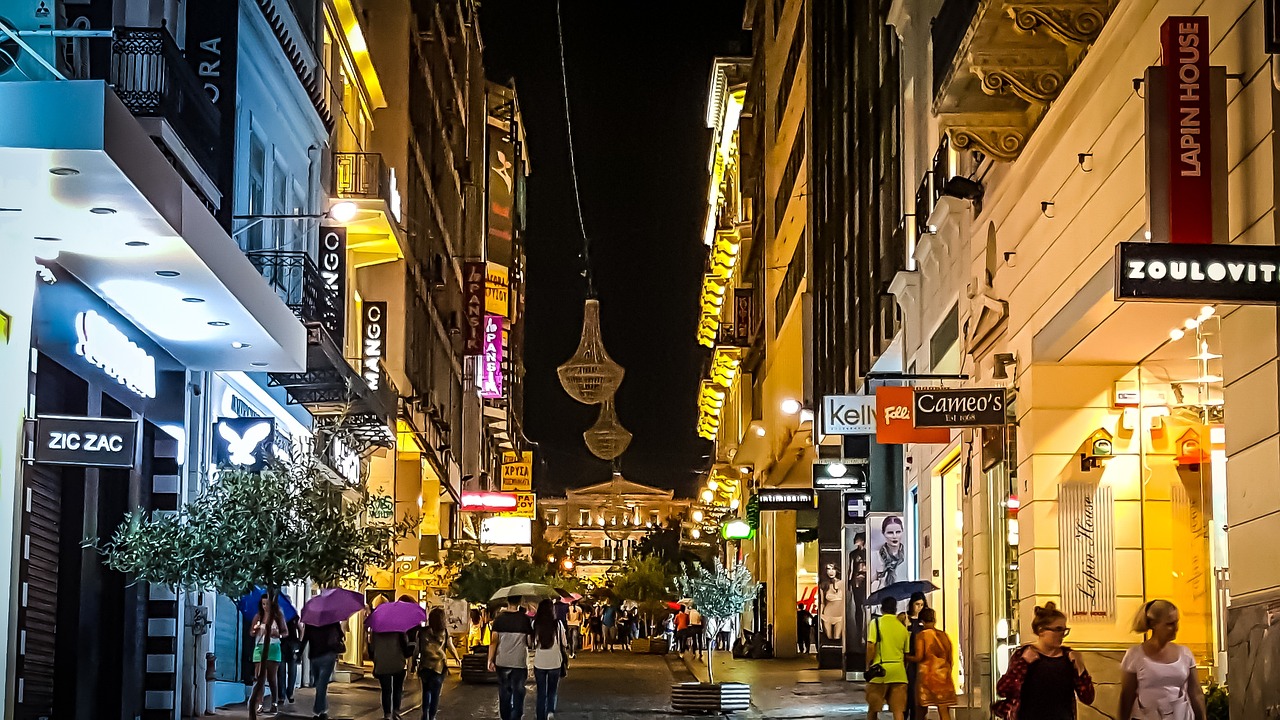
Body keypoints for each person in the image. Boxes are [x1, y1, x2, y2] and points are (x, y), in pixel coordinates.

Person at [994, 601, 1095, 720]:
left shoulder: (1069, 658)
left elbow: (1088, 697)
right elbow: (1003, 690)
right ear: (1041, 630)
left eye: (1064, 630)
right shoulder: (1024, 655)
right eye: (1057, 629)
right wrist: (1023, 663)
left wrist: (1081, 669)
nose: (1062, 635)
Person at [1119, 599, 1206, 720]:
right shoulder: (1135, 655)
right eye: (1170, 624)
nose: (1176, 628)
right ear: (1154, 624)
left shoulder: (1185, 654)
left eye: (1177, 622)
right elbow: (1127, 696)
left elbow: (1196, 693)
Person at [905, 608, 957, 720]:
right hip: (943, 676)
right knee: (944, 711)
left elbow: (919, 657)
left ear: (922, 621)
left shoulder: (922, 635)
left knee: (921, 710)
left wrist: (906, 657)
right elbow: (950, 659)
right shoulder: (944, 635)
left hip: (927, 678)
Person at [866, 597, 912, 720]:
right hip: (899, 673)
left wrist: (868, 664)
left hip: (879, 672)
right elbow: (906, 654)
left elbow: (871, 646)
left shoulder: (875, 624)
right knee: (898, 711)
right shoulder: (903, 628)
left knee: (873, 710)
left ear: (882, 608)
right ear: (895, 609)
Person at [489, 596, 533, 720]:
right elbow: (529, 642)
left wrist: (490, 660)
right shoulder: (525, 619)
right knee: (518, 690)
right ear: (519, 602)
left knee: (504, 690)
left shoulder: (499, 619)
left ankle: (506, 717)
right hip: (519, 661)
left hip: (502, 660)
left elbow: (493, 641)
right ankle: (516, 716)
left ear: (507, 602)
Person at [417, 608, 461, 720]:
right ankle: (432, 716)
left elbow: (417, 649)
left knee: (426, 691)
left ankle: (425, 714)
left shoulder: (422, 631)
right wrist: (457, 658)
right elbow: (450, 646)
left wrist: (413, 663)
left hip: (425, 665)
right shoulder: (445, 632)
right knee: (435, 694)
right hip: (439, 667)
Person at [249, 594, 288, 719]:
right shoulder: (258, 616)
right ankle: (259, 704)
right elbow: (251, 632)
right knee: (259, 677)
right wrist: (255, 630)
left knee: (272, 678)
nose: (265, 607)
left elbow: (285, 632)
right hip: (259, 647)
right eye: (263, 604)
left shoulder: (278, 616)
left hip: (273, 647)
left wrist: (277, 634)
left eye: (267, 604)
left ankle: (274, 703)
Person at [533, 599, 569, 720]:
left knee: (541, 692)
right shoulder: (557, 624)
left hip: (539, 662)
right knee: (552, 690)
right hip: (555, 662)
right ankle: (550, 712)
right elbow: (564, 643)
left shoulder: (535, 624)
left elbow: (530, 643)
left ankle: (540, 716)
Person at [302, 619, 345, 720]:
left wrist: (300, 652)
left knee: (319, 683)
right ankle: (322, 710)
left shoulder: (310, 621)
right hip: (328, 655)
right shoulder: (332, 620)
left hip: (314, 655)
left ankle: (319, 710)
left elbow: (305, 638)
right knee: (321, 684)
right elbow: (340, 635)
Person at [368, 627, 413, 720]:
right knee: (398, 689)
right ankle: (396, 712)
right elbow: (405, 648)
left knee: (386, 690)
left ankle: (387, 714)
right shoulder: (399, 629)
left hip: (382, 663)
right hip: (398, 663)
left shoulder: (376, 630)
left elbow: (372, 648)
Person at [905, 592, 928, 720]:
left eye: (922, 605)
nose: (919, 607)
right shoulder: (905, 619)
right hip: (908, 659)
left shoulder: (923, 622)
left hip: (920, 660)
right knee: (908, 690)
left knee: (917, 692)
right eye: (917, 604)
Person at [872, 517, 907, 593]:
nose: (894, 536)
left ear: (902, 532)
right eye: (890, 533)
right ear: (883, 533)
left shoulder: (908, 555)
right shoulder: (876, 556)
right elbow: (872, 582)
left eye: (898, 532)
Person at [276, 617, 302, 705]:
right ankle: (282, 696)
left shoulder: (294, 617)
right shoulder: (278, 617)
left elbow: (301, 629)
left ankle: (289, 693)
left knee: (292, 671)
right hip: (281, 644)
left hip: (292, 645)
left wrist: (299, 643)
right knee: (281, 672)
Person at [818, 563, 845, 642]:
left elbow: (845, 602)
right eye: (828, 569)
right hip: (827, 616)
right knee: (828, 641)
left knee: (838, 640)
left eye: (832, 569)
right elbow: (822, 603)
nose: (831, 571)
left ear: (836, 570)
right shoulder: (823, 585)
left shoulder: (842, 583)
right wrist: (820, 618)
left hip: (840, 617)